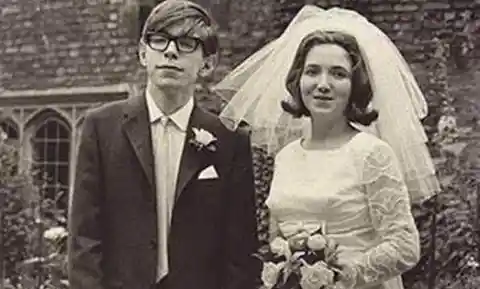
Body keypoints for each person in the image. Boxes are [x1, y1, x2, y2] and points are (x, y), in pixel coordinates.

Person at [215, 5, 440, 289]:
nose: (323, 84)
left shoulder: (371, 153)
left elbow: (405, 246)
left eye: (338, 74)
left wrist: (339, 275)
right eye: (312, 71)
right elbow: (277, 239)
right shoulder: (286, 156)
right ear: (299, 81)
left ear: (354, 85)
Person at [68, 1, 260, 289]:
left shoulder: (230, 140)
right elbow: (84, 236)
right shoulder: (100, 126)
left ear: (207, 63)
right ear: (143, 53)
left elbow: (240, 252)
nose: (170, 51)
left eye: (186, 43)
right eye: (159, 40)